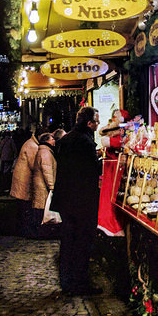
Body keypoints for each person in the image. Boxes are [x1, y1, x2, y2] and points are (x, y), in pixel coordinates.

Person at [51, 106, 102, 296]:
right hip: (81, 201)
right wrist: (101, 162)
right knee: (82, 242)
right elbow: (91, 171)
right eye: (96, 121)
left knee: (68, 241)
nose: (98, 124)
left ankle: (67, 282)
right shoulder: (86, 142)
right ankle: (80, 283)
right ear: (89, 123)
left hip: (66, 199)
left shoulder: (66, 139)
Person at [98, 109, 130, 237]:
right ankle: (107, 224)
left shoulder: (120, 136)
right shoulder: (114, 134)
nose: (112, 120)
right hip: (111, 169)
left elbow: (116, 143)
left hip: (115, 169)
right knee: (109, 196)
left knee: (111, 197)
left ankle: (110, 225)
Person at [10, 127, 43, 237]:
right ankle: (25, 231)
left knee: (24, 208)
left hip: (23, 179)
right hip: (24, 181)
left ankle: (23, 229)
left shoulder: (31, 143)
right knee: (25, 208)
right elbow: (35, 164)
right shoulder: (32, 146)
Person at [32, 132, 57, 228]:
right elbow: (47, 170)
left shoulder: (45, 151)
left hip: (41, 184)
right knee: (42, 209)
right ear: (47, 141)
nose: (54, 141)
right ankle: (40, 230)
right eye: (52, 139)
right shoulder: (45, 152)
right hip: (42, 186)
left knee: (41, 209)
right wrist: (51, 186)